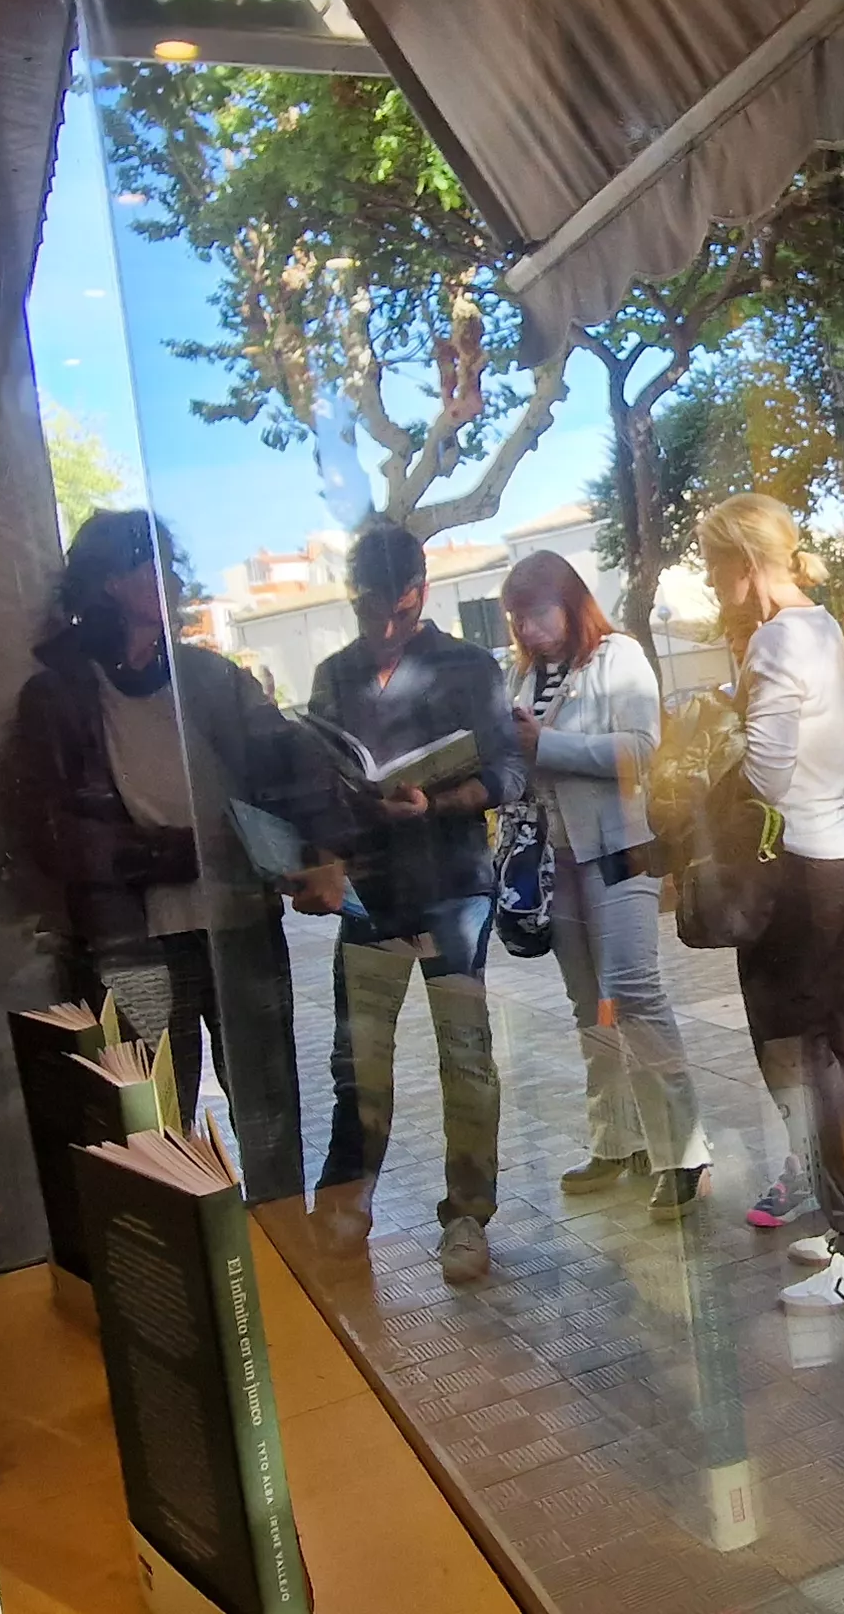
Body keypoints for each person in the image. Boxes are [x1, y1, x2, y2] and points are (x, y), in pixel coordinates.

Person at [13, 510, 324, 1203]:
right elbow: (53, 837)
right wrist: (180, 854)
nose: (175, 580)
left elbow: (287, 770)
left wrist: (331, 840)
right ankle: (192, 1282)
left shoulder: (210, 678)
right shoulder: (58, 694)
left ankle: (286, 1248)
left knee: (269, 1109)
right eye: (155, 565)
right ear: (111, 582)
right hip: (137, 940)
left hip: (239, 924)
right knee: (157, 1127)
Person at [700, 495, 844, 1310]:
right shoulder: (819, 625)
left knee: (823, 1059)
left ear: (744, 566)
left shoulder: (779, 639)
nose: (713, 586)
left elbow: (768, 771)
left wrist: (711, 751)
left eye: (716, 568)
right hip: (839, 859)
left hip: (801, 869)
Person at [305, 521, 528, 1283]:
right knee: (359, 1060)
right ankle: (347, 1199)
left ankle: (468, 1217)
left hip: (454, 887)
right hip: (370, 892)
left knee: (465, 1059)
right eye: (368, 610)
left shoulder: (469, 666)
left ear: (420, 592)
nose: (381, 627)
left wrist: (435, 801)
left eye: (395, 611)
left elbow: (508, 773)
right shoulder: (335, 675)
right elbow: (316, 785)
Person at [503, 549, 711, 1218]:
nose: (528, 631)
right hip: (555, 860)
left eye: (536, 614)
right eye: (517, 619)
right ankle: (616, 1141)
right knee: (590, 1005)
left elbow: (641, 750)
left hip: (622, 848)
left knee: (635, 995)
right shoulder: (524, 673)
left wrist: (547, 748)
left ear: (569, 602)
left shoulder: (617, 656)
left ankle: (681, 1151)